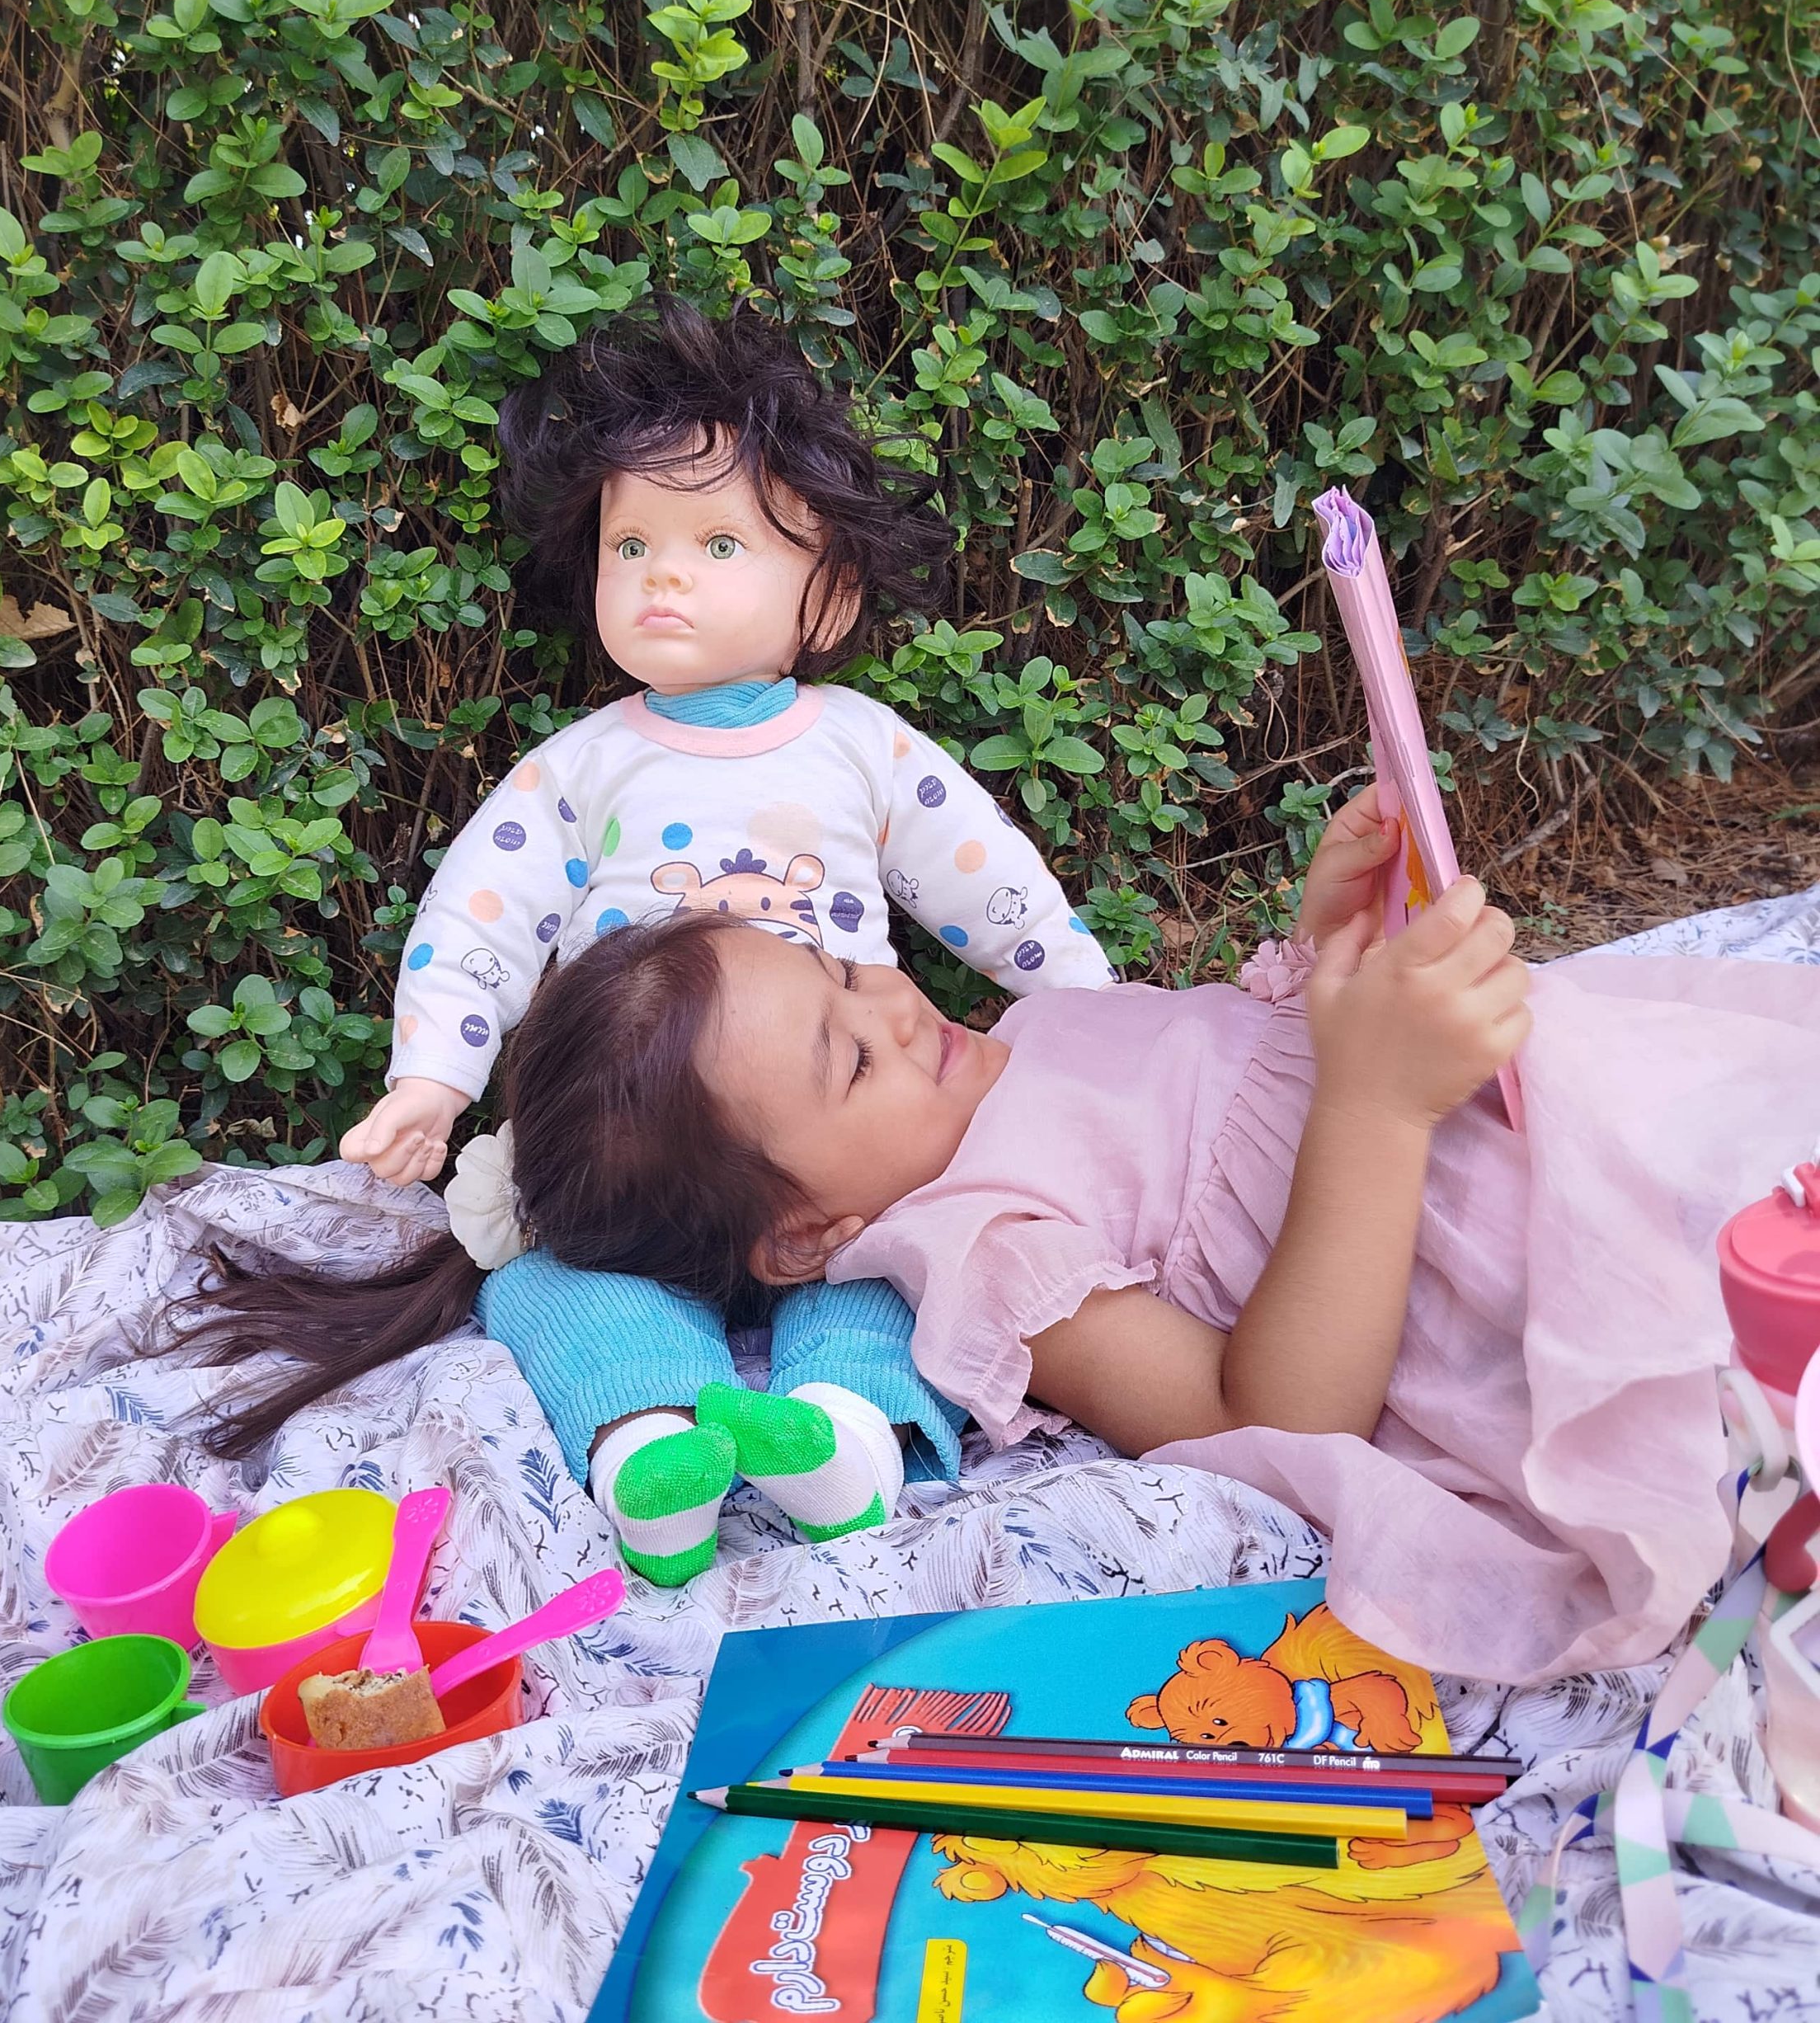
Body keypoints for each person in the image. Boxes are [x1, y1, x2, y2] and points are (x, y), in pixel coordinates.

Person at [170, 790, 1820, 1682]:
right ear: (809, 1235)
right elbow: (1276, 1407)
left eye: (846, 972)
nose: (898, 1006)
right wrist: (1378, 1105)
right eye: (849, 1057)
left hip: (1551, 1105)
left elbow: (1218, 1076)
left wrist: (1325, 953)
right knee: (1744, 1308)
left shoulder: (1017, 1037)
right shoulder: (978, 1247)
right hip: (1491, 1251)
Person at [328, 294, 1112, 1583]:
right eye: (631, 544)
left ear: (831, 596)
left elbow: (995, 890)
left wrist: (1091, 1009)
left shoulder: (860, 744)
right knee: (553, 1283)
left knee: (895, 1267)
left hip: (833, 1152)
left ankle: (842, 1439)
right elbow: (479, 916)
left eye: (719, 542)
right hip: (643, 1161)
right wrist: (436, 1075)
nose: (664, 575)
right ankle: (647, 1445)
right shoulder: (586, 766)